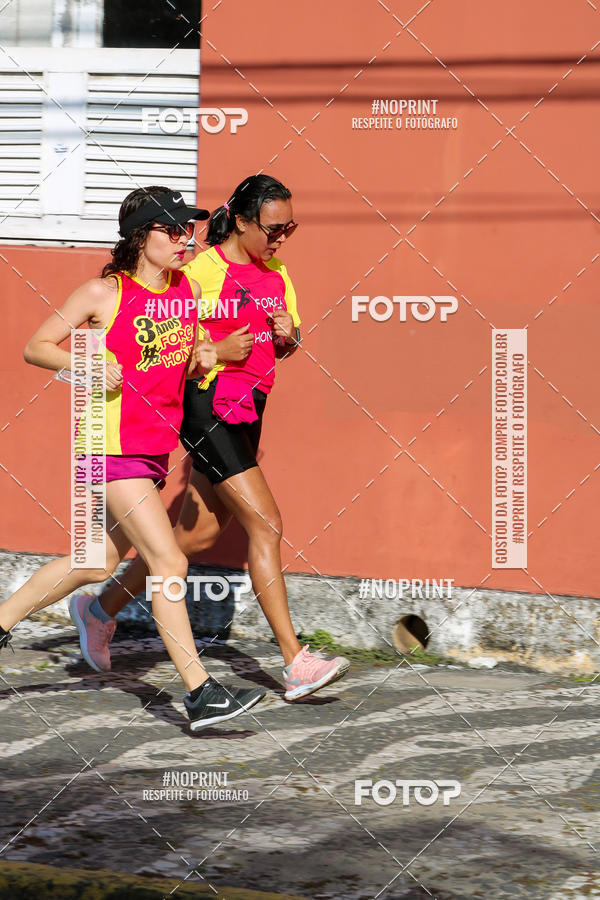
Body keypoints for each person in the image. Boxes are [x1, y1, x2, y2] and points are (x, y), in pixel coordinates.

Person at [68, 174, 349, 701]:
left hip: (250, 409)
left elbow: (281, 344)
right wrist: (220, 350)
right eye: (272, 228)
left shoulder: (277, 271)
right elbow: (170, 339)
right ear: (241, 222)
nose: (281, 238)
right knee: (267, 525)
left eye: (289, 227)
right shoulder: (201, 267)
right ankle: (296, 663)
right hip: (209, 408)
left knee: (192, 540)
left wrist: (287, 334)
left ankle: (98, 608)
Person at [0, 185, 265, 731]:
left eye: (188, 231)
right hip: (108, 446)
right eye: (173, 230)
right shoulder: (103, 293)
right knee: (169, 563)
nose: (184, 240)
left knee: (95, 562)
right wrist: (88, 366)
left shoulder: (186, 291)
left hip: (151, 450)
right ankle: (200, 694)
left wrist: (211, 356)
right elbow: (37, 347)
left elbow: (186, 361)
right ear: (142, 237)